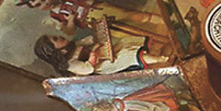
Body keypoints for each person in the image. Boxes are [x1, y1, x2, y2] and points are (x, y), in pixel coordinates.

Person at [15, 0, 162, 38]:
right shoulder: (54, 17)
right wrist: (71, 21)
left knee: (130, 15)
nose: (44, 4)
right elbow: (69, 31)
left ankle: (162, 22)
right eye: (39, 5)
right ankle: (153, 38)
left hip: (100, 9)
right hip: (93, 23)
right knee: (121, 32)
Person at [33, 31, 166, 77]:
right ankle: (161, 59)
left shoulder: (72, 46)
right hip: (103, 66)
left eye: (55, 36)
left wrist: (96, 37)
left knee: (125, 42)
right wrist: (94, 52)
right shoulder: (69, 64)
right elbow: (88, 68)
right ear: (54, 51)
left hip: (104, 55)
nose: (59, 36)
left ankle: (157, 48)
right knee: (127, 55)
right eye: (55, 39)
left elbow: (87, 41)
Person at [91, 81, 181, 111]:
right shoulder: (119, 98)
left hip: (154, 104)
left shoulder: (127, 110)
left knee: (166, 109)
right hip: (150, 96)